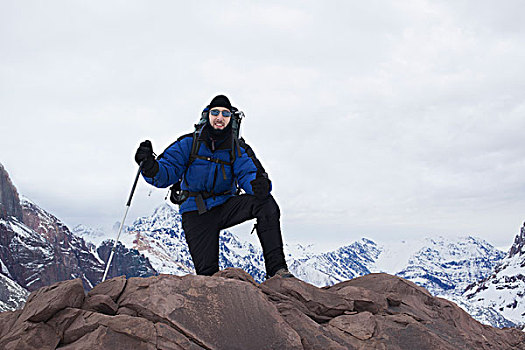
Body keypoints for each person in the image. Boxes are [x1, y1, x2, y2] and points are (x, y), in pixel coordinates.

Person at [134, 95, 294, 278]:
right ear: (207, 115)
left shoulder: (237, 148)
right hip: (196, 212)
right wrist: (149, 166)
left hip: (224, 206)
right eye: (215, 112)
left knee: (265, 203)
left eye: (225, 113)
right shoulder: (188, 144)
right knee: (208, 278)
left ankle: (277, 271)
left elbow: (249, 173)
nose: (220, 117)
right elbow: (165, 173)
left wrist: (260, 186)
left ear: (231, 119)